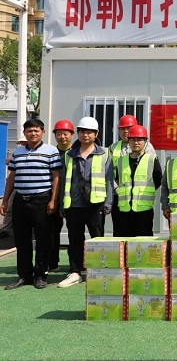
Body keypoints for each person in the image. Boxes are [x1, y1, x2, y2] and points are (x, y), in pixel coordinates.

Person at [1, 119, 61, 290]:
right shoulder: (17, 153)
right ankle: (24, 276)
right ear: (25, 133)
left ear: (42, 132)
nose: (33, 133)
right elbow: (11, 177)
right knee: (22, 239)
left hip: (42, 200)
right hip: (21, 199)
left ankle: (41, 275)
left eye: (36, 130)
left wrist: (53, 200)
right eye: (29, 131)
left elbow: (56, 177)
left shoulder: (51, 151)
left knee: (43, 238)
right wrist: (5, 200)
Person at [58, 117, 114, 288]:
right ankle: (75, 271)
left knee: (97, 239)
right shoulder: (69, 155)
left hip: (96, 203)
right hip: (73, 204)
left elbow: (109, 179)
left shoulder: (104, 153)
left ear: (96, 134)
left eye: (89, 132)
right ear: (78, 133)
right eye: (82, 131)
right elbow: (63, 181)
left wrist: (108, 203)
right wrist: (62, 203)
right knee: (74, 239)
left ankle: (97, 270)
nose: (85, 135)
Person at [108, 114, 155, 236]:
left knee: (142, 234)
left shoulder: (147, 146)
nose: (126, 131)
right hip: (120, 198)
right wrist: (117, 189)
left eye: (129, 128)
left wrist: (145, 189)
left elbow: (155, 172)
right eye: (122, 128)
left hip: (140, 198)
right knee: (120, 232)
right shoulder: (113, 148)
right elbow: (109, 172)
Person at [115, 125, 162, 237]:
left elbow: (158, 179)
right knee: (125, 241)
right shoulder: (121, 161)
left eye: (139, 139)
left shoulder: (151, 159)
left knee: (143, 242)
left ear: (145, 141)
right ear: (128, 141)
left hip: (144, 209)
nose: (136, 142)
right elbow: (118, 179)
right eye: (133, 139)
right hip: (125, 210)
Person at [49, 119, 75, 272]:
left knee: (74, 233)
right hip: (54, 198)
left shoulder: (76, 152)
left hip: (73, 198)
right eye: (59, 134)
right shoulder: (51, 153)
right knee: (52, 232)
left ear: (72, 135)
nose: (62, 137)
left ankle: (76, 265)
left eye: (65, 133)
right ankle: (52, 263)